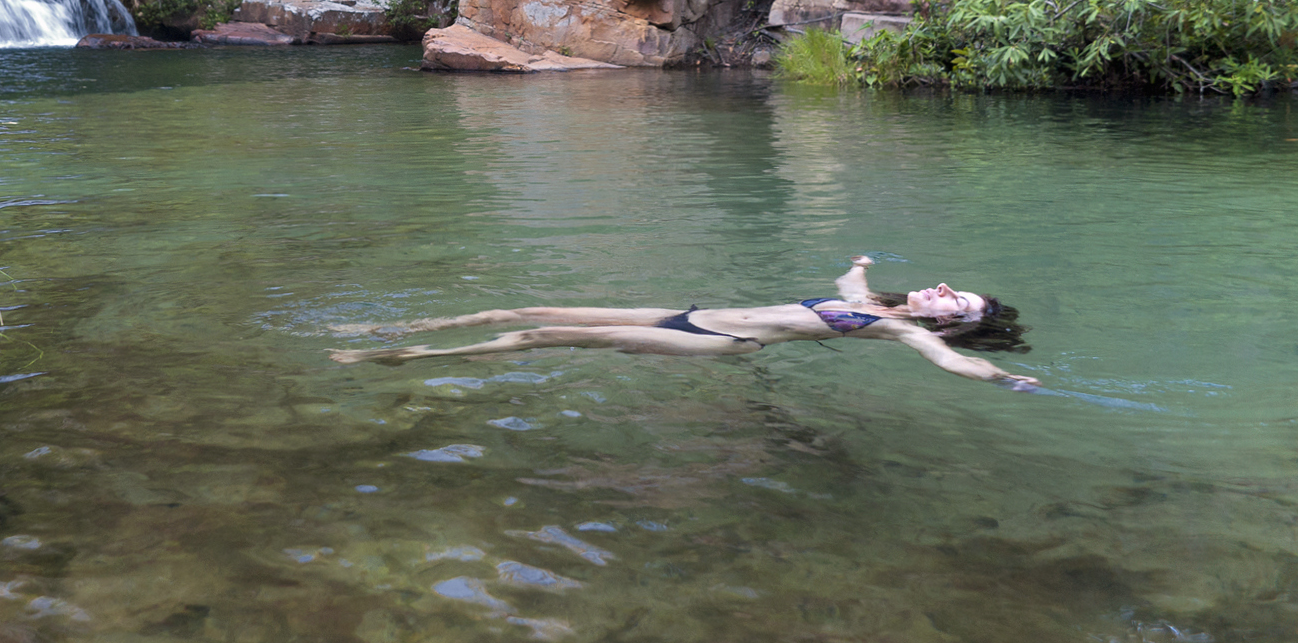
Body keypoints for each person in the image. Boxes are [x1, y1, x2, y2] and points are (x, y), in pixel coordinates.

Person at [328, 256, 1040, 387]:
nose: (944, 290)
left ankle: (400, 360)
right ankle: (398, 329)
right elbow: (845, 278)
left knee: (540, 337)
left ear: (949, 324)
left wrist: (1000, 375)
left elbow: (952, 364)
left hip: (721, 341)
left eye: (959, 301)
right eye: (952, 288)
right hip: (692, 312)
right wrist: (856, 260)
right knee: (522, 308)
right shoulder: (871, 299)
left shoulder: (901, 330)